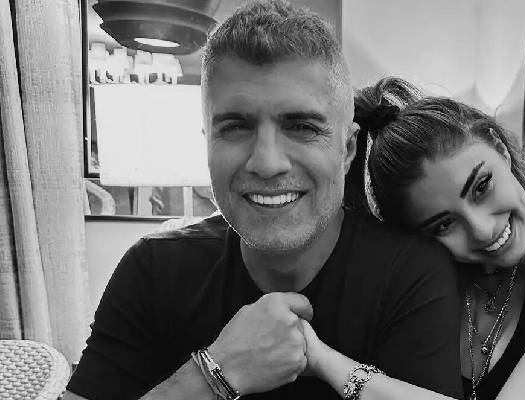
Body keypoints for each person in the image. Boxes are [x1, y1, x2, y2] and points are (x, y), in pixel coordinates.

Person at [63, 3, 464, 400]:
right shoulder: (152, 270)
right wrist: (213, 374)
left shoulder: (410, 274)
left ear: (347, 150)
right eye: (236, 127)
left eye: (302, 127)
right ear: (207, 144)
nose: (267, 163)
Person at [323, 76, 525, 400]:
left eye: (482, 187)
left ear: (501, 150)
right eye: (444, 225)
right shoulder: (435, 289)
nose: (482, 230)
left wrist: (328, 364)